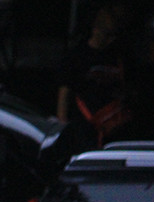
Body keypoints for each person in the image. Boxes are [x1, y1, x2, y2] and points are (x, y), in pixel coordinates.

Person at [56, 4, 134, 149]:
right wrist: (62, 122)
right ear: (95, 29)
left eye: (114, 36)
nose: (111, 40)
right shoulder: (77, 57)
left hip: (116, 126)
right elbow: (64, 91)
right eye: (107, 35)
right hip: (87, 127)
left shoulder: (116, 57)